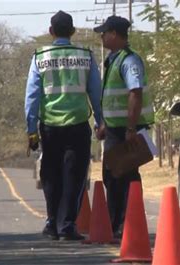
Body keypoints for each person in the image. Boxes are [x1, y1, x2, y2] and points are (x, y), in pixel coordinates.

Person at [25, 11, 102, 241]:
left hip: (49, 127)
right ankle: (67, 225)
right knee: (74, 176)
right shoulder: (85, 56)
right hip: (78, 126)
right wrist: (100, 121)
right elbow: (96, 93)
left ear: (51, 32)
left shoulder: (40, 56)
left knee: (51, 175)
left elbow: (32, 96)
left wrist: (31, 130)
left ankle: (51, 223)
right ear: (73, 31)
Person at [94, 16, 154, 238]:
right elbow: (111, 98)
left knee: (123, 178)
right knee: (113, 177)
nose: (101, 37)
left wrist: (130, 128)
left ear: (114, 34)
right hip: (114, 129)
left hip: (126, 131)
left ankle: (123, 224)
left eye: (104, 32)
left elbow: (135, 93)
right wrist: (103, 125)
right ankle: (119, 223)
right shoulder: (113, 60)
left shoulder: (129, 61)